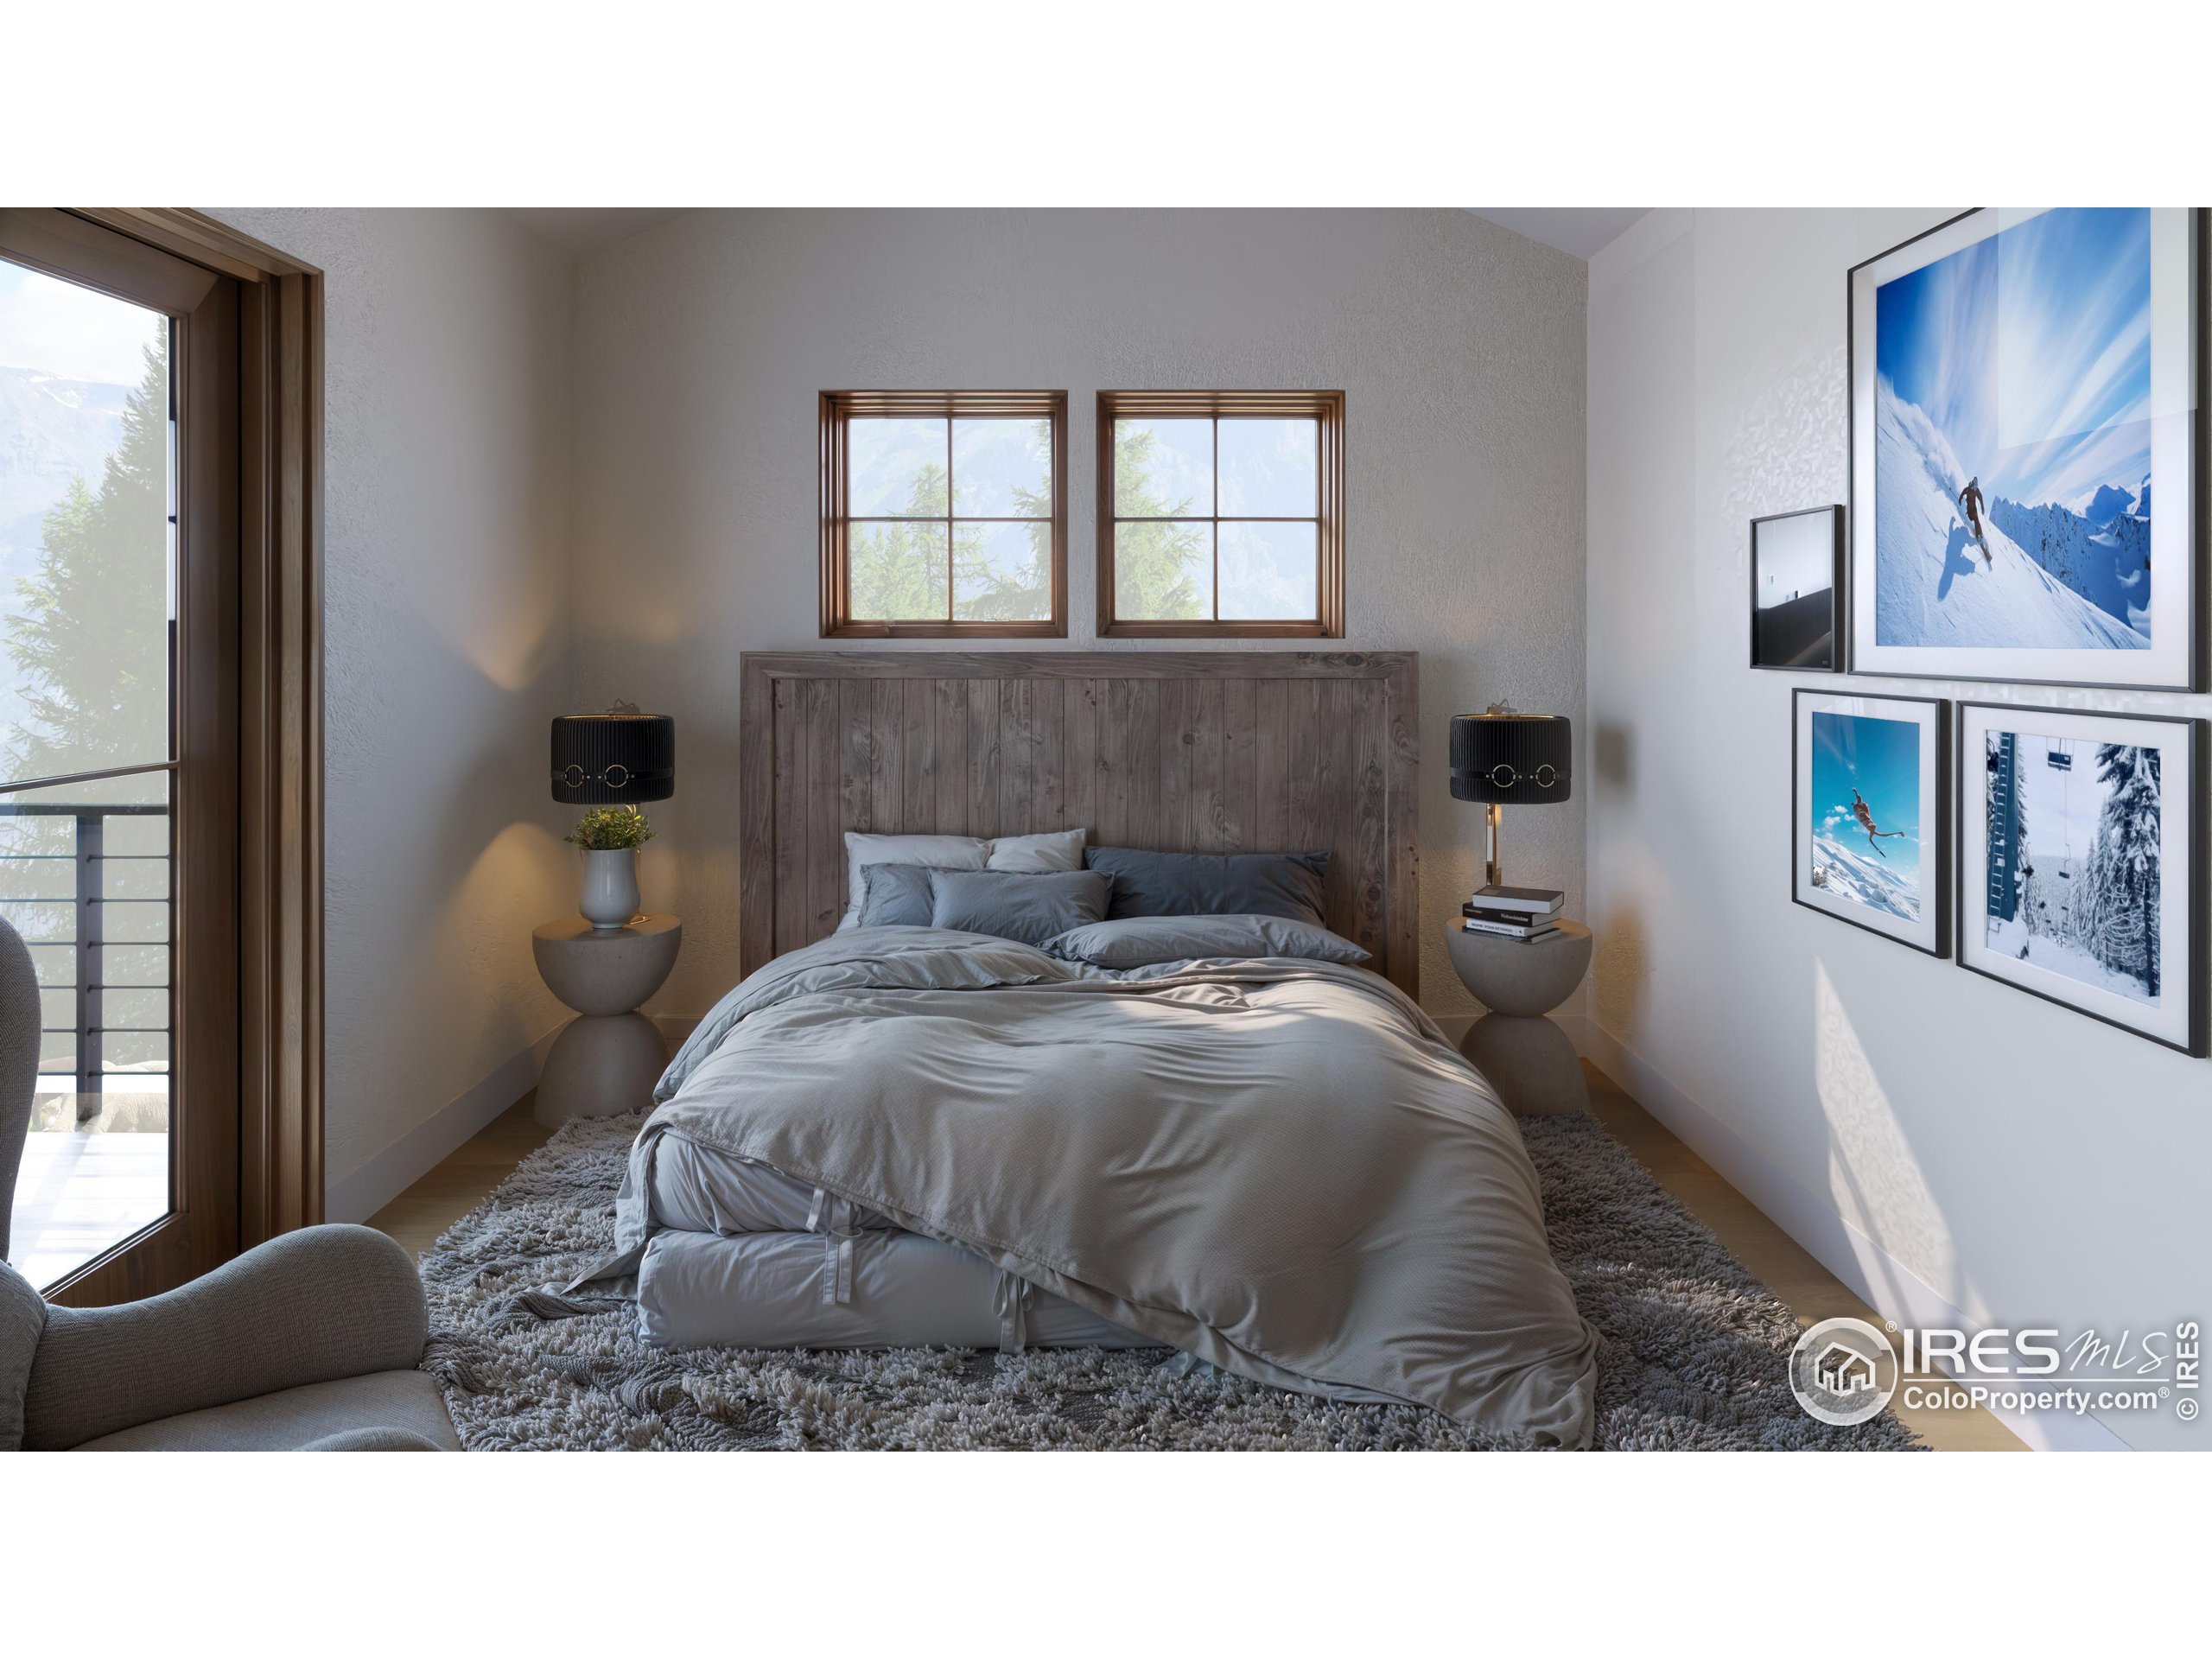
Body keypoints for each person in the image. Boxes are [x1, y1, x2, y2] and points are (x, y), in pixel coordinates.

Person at [1851, 788, 1908, 859]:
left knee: (1875, 834)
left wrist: (1856, 791)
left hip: (1868, 822)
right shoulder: (1857, 809)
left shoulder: (1861, 807)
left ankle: (1899, 832)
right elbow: (1881, 835)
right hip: (1868, 822)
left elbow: (1859, 798)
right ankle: (1899, 832)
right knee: (1876, 834)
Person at [1958, 475, 1991, 564]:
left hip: (1974, 510)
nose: (1975, 489)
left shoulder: (1977, 491)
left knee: (1977, 521)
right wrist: (1960, 499)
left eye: (1977, 487)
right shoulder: (1968, 489)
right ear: (1972, 484)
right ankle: (1979, 535)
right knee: (1975, 519)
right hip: (1969, 511)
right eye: (1975, 487)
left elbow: (1981, 498)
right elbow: (1962, 493)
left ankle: (1979, 535)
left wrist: (1983, 507)